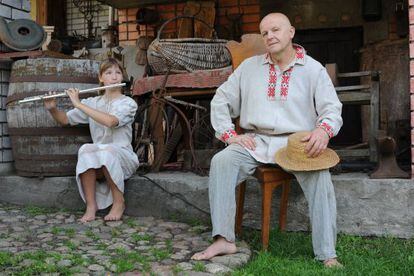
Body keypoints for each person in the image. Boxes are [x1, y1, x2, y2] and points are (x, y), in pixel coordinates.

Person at [191, 13, 343, 268]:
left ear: (291, 32)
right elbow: (221, 99)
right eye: (264, 33)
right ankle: (224, 239)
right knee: (222, 161)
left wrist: (323, 132)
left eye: (276, 30)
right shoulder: (250, 68)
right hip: (256, 142)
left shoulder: (313, 69)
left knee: (321, 178)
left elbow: (331, 109)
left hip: (298, 145)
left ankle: (327, 253)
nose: (270, 36)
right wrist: (230, 136)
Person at [44, 58, 139, 222]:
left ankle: (119, 202)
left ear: (122, 77)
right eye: (109, 73)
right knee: (86, 149)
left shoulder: (128, 103)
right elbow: (65, 119)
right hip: (100, 163)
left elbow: (111, 121)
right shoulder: (94, 102)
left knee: (107, 150)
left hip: (124, 160)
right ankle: (91, 206)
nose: (114, 77)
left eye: (118, 72)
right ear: (101, 78)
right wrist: (52, 109)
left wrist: (79, 104)